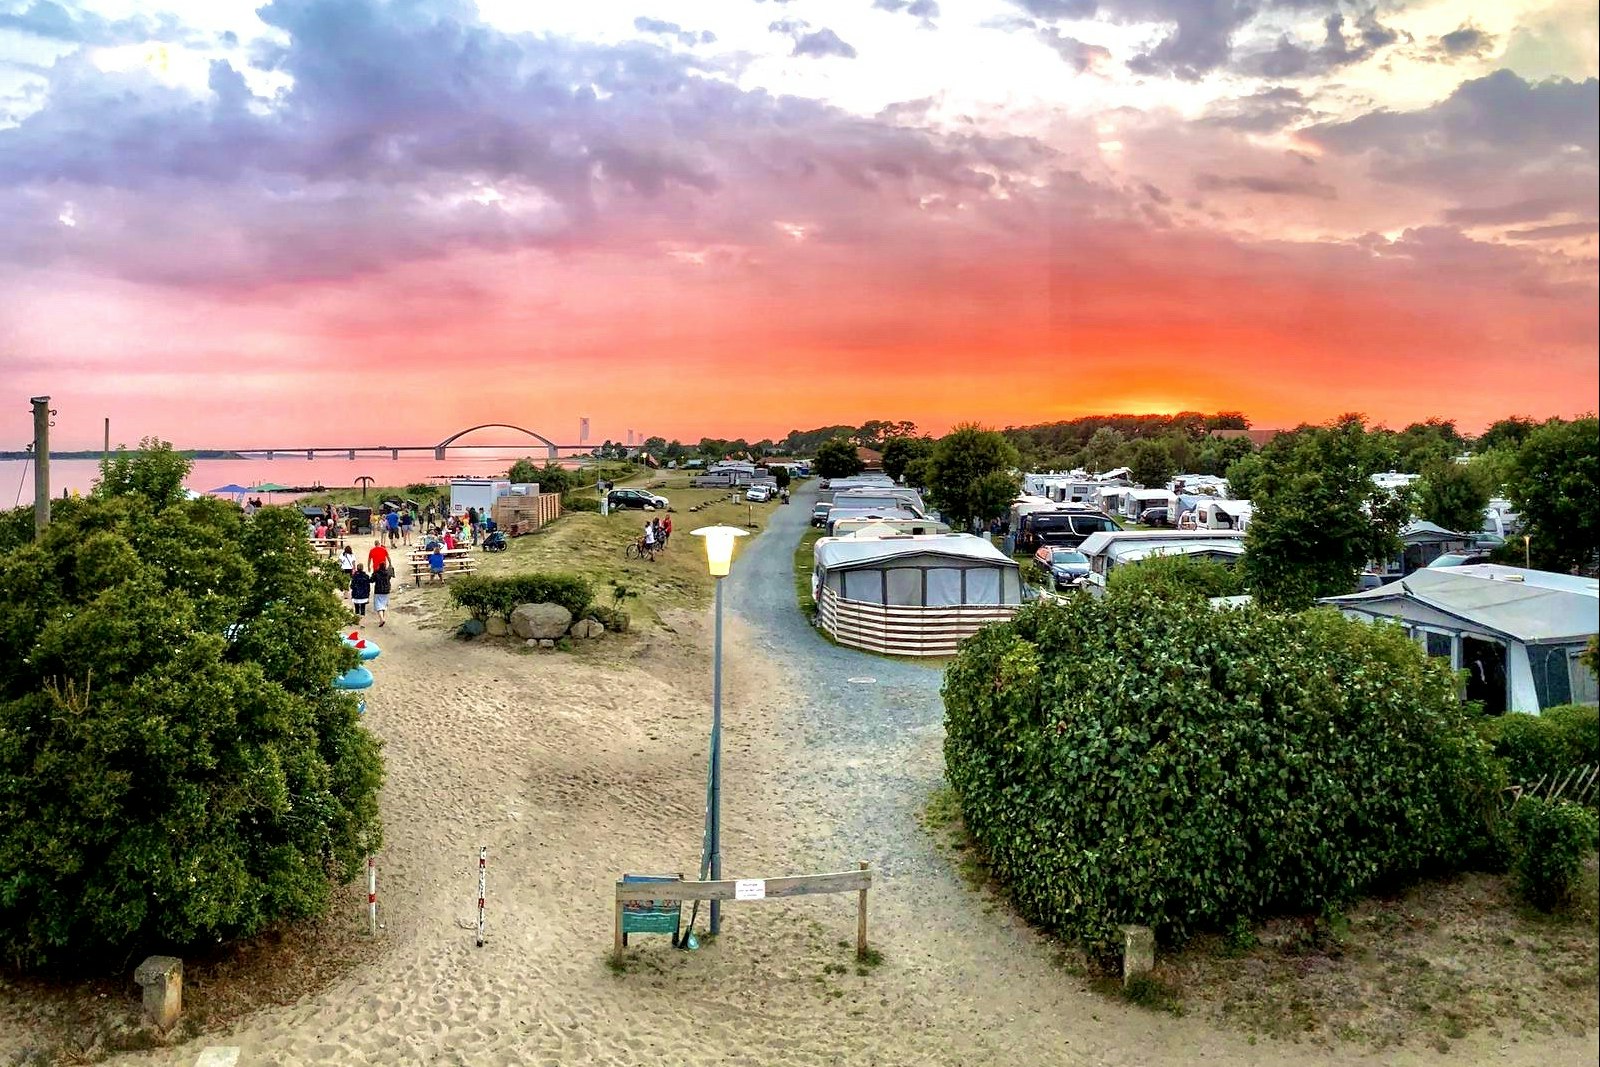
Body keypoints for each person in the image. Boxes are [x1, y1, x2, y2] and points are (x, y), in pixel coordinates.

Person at [371, 557, 392, 626]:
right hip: (386, 590)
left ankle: (381, 619)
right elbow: (389, 577)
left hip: (378, 590)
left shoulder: (376, 573)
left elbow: (371, 580)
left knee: (378, 606)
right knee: (383, 605)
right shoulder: (388, 573)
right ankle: (382, 618)